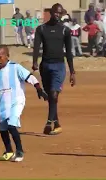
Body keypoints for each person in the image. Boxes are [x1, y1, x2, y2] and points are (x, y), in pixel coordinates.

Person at [0, 46, 48, 162]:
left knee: (12, 125)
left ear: (7, 56)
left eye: (0, 57)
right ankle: (8, 151)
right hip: (1, 102)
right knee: (3, 128)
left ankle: (19, 151)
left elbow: (29, 77)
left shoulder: (15, 67)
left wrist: (39, 89)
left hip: (16, 101)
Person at [33, 3, 76, 135]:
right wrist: (34, 61)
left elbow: (69, 52)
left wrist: (72, 71)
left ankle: (48, 122)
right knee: (51, 97)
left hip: (59, 66)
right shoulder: (41, 29)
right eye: (55, 12)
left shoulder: (65, 31)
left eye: (60, 13)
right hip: (45, 66)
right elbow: (36, 47)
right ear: (51, 13)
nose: (57, 15)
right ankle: (57, 123)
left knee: (53, 94)